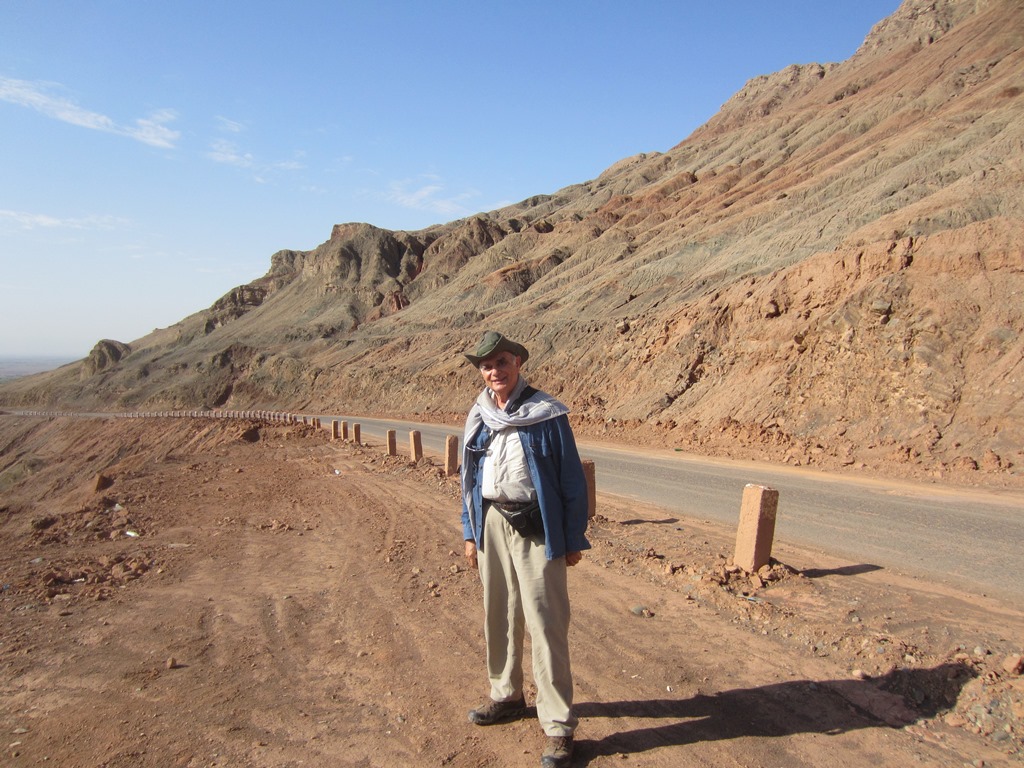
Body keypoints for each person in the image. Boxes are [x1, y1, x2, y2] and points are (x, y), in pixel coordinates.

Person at [460, 330, 590, 768]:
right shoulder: (479, 414)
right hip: (493, 521)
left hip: (538, 526)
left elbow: (571, 481)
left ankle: (557, 726)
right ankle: (507, 694)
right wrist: (469, 531)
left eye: (501, 362)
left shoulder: (546, 414)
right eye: (485, 365)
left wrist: (573, 539)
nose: (494, 371)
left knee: (546, 621)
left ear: (518, 362)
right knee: (499, 611)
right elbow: (469, 480)